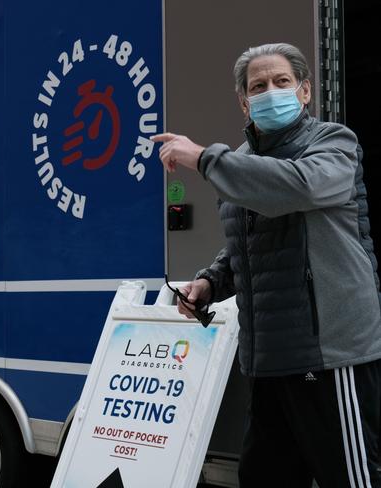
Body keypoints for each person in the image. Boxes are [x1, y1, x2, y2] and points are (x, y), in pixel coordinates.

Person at [151, 43, 381, 488]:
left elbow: (298, 188)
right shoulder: (239, 164)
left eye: (282, 81)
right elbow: (249, 246)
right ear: (244, 101)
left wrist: (204, 157)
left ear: (305, 90)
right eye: (258, 86)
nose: (270, 91)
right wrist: (210, 282)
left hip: (331, 355)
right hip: (268, 361)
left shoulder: (333, 143)